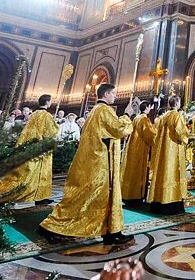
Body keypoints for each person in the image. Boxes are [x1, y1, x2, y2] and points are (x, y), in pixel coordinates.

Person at [39, 83, 135, 244]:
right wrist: (127, 116)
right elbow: (118, 129)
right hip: (100, 163)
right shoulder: (104, 110)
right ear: (106, 94)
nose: (115, 96)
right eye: (113, 94)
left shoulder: (93, 111)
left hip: (91, 160)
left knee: (87, 195)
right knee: (91, 196)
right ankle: (56, 226)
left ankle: (111, 231)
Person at [0, 94, 59, 205]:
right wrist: (57, 126)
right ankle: (15, 195)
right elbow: (51, 131)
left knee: (31, 171)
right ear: (47, 102)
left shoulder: (33, 114)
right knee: (37, 172)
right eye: (50, 101)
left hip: (31, 144)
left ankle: (40, 197)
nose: (51, 103)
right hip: (41, 146)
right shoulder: (46, 115)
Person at [147, 95, 189, 214]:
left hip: (162, 152)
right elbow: (180, 132)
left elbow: (155, 132)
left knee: (162, 174)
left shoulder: (163, 116)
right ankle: (171, 203)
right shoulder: (176, 115)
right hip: (173, 150)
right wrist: (187, 136)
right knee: (172, 173)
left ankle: (158, 202)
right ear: (177, 103)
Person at [121, 101, 157, 205]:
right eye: (150, 107)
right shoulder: (144, 119)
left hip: (133, 147)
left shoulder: (136, 118)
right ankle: (136, 196)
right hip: (140, 148)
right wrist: (157, 137)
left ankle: (128, 194)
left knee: (132, 171)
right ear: (147, 108)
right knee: (138, 172)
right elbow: (148, 134)